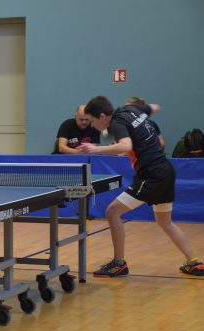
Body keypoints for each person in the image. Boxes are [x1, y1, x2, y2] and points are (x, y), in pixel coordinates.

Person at [77, 95, 203, 277]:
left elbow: (125, 145)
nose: (91, 125)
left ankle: (118, 264)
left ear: (102, 117)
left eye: (91, 120)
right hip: (166, 170)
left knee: (112, 212)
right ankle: (194, 263)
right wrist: (139, 124)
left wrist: (97, 149)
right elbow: (155, 107)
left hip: (151, 175)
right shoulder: (131, 110)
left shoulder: (117, 122)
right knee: (165, 222)